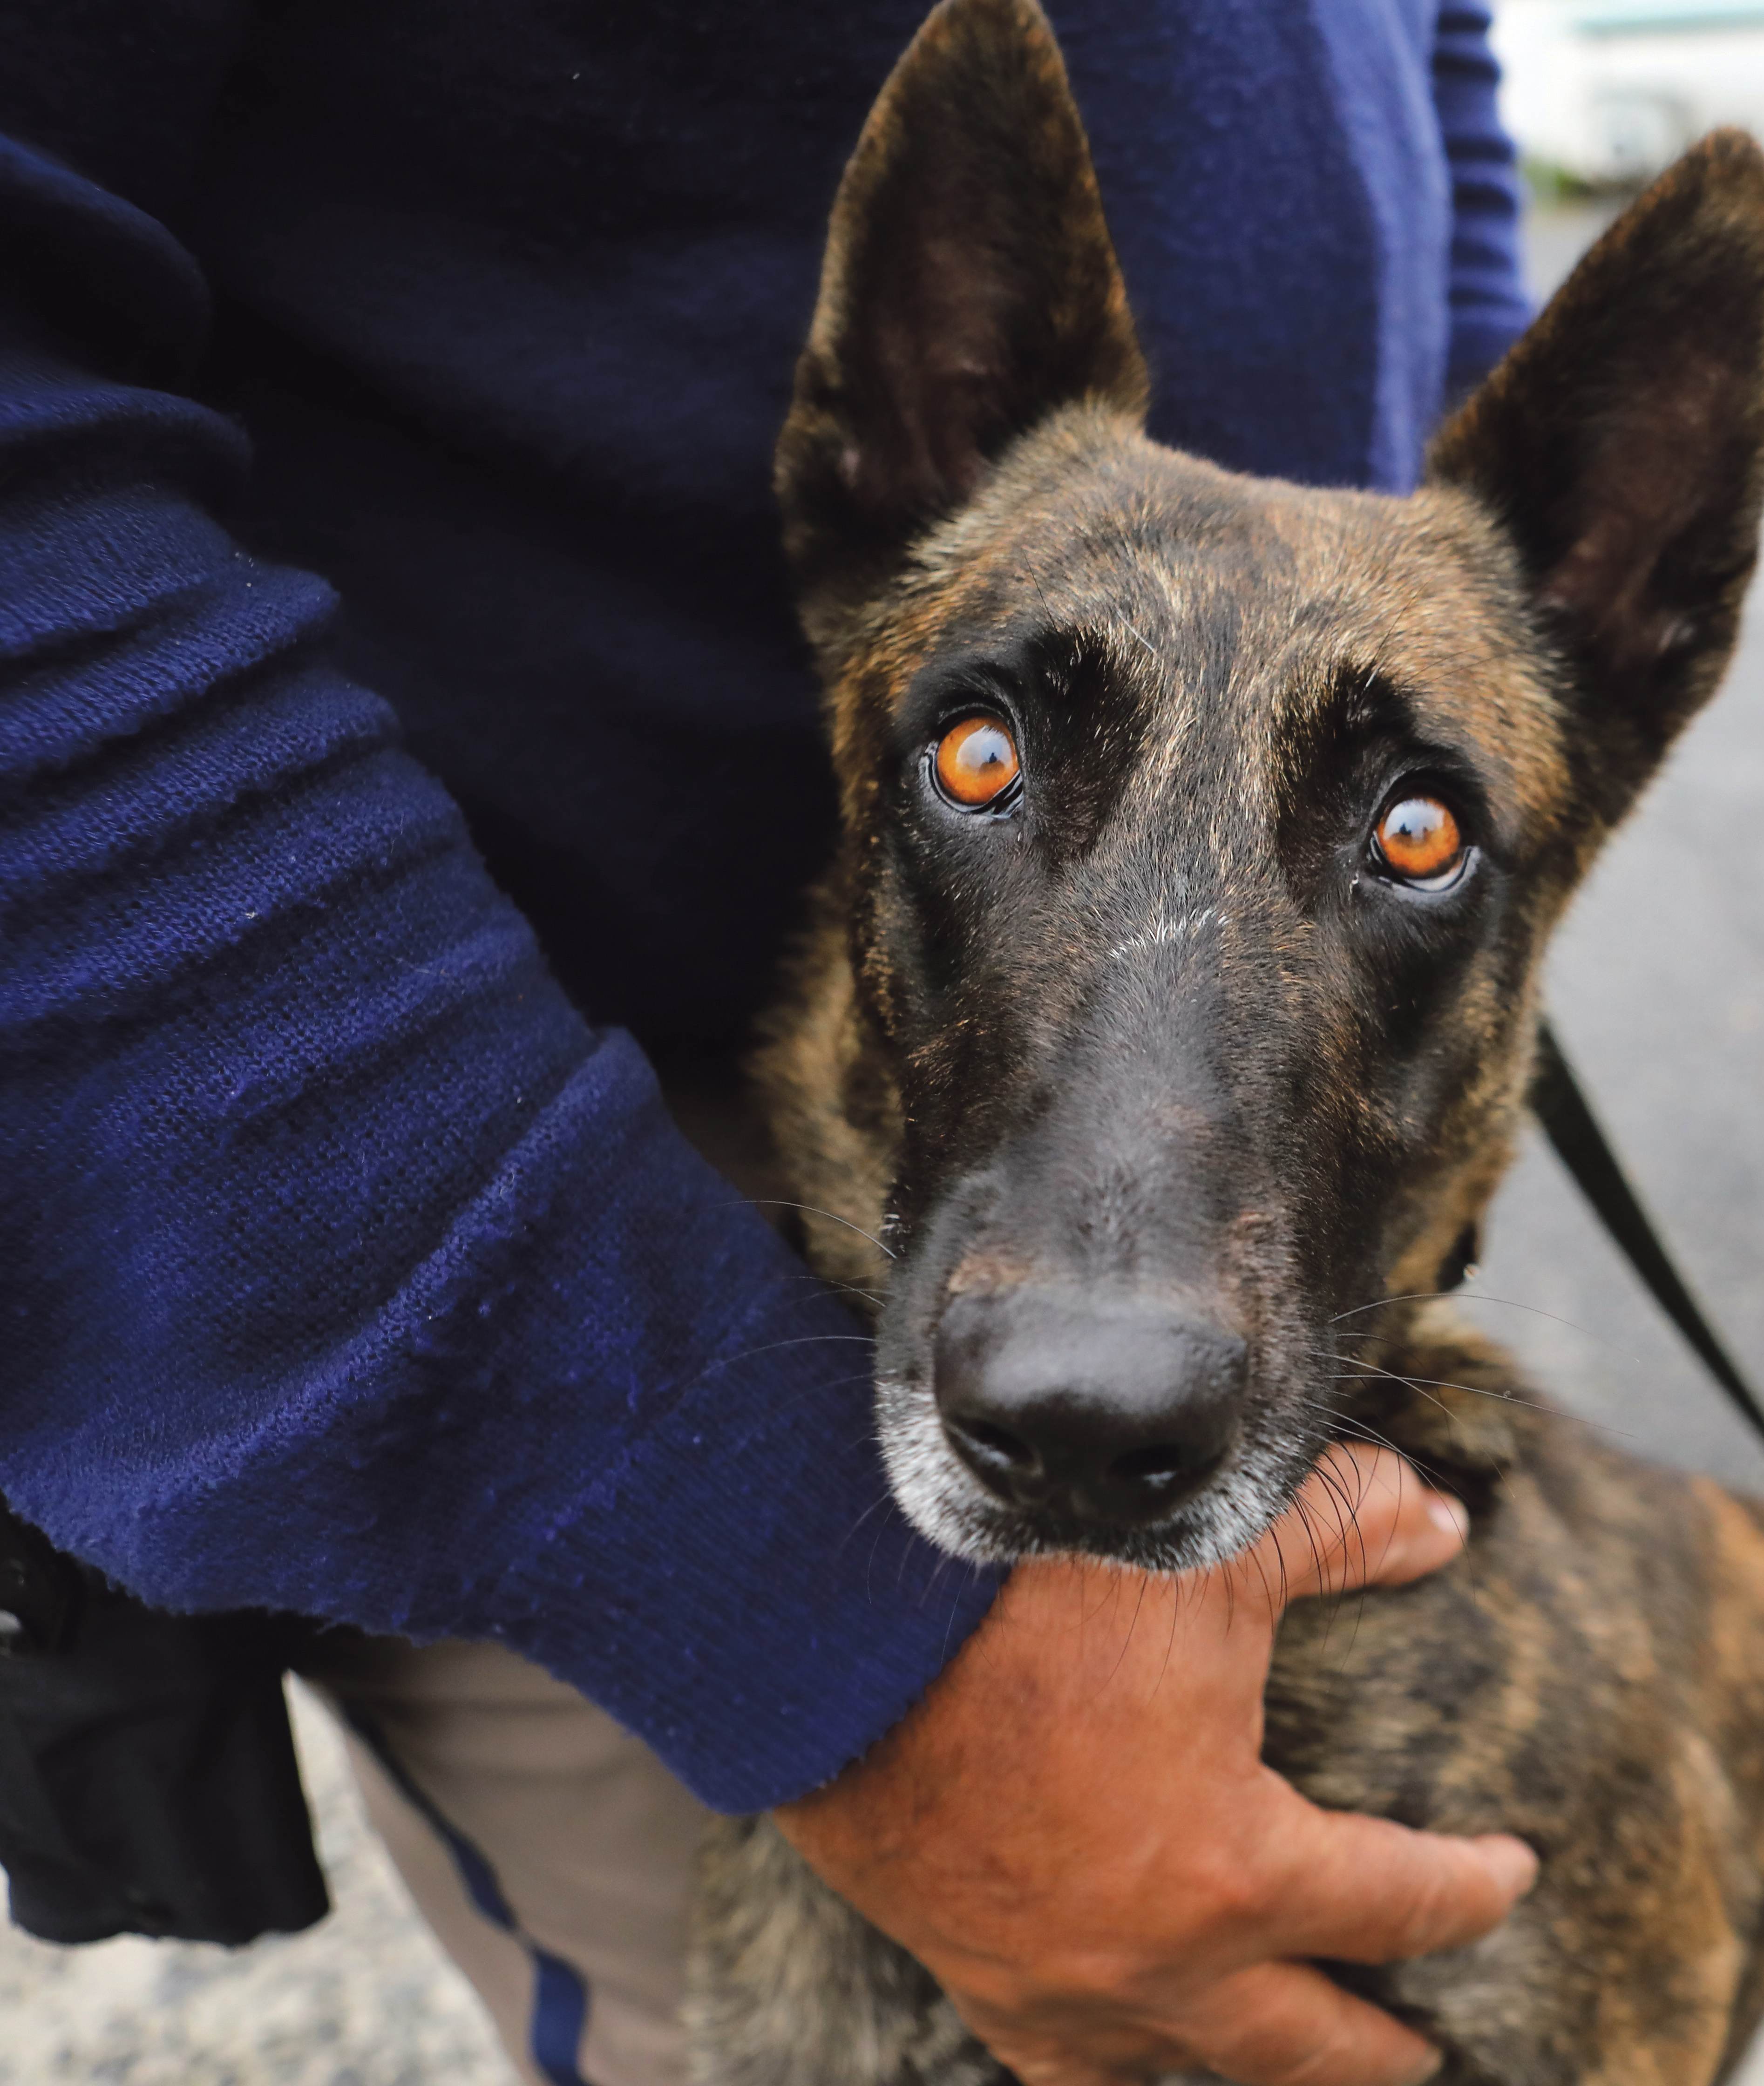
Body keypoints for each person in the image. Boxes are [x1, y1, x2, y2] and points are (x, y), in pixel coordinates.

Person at [0, 4, 1545, 2083]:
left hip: (1276, 1159)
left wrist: (1450, 640)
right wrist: (766, 1578)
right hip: (585, 1178)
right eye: (989, 748)